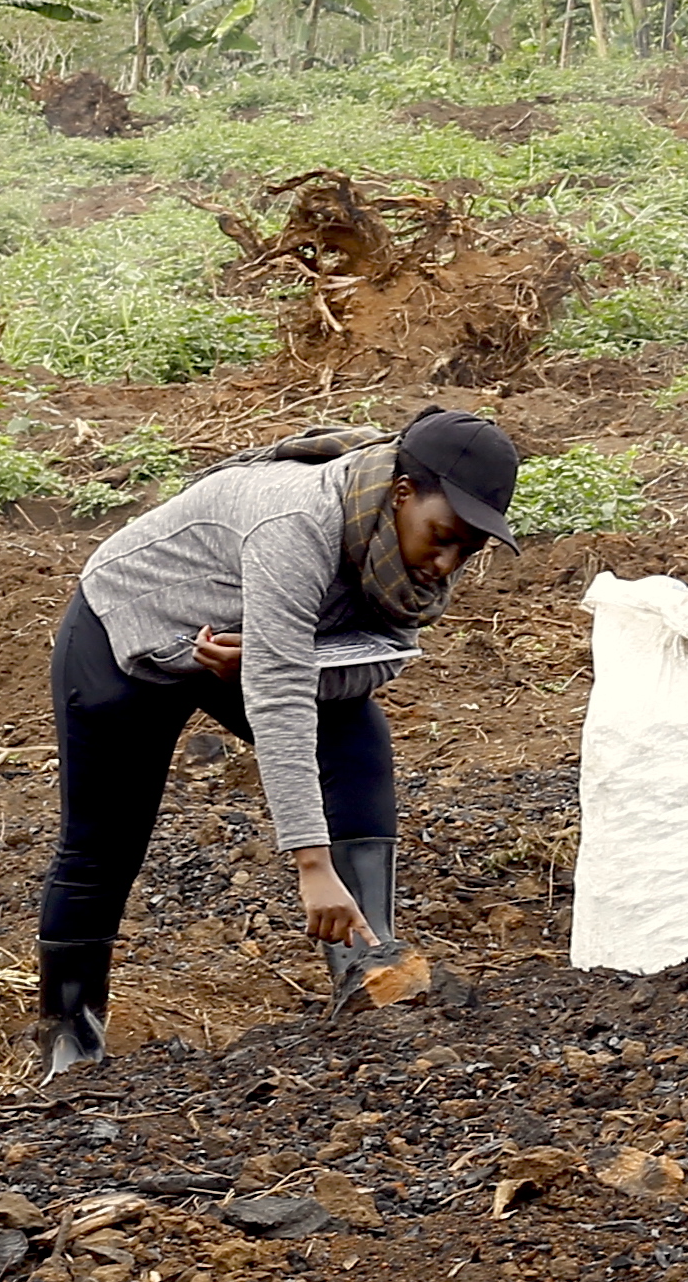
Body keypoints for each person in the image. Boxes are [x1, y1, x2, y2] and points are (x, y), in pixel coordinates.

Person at [33, 404, 521, 1079]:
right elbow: (281, 696)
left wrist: (268, 656)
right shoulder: (298, 522)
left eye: (468, 547)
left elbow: (383, 658)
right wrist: (311, 866)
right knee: (104, 840)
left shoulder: (407, 550)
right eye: (442, 537)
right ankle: (70, 1038)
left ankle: (366, 966)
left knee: (355, 737)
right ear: (402, 493)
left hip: (237, 645)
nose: (447, 562)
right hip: (129, 635)